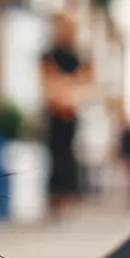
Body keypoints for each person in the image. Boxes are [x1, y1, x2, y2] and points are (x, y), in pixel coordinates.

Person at [40, 12, 92, 220]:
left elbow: (86, 82)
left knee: (70, 157)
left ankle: (69, 199)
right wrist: (62, 94)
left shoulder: (78, 56)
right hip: (55, 112)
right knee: (55, 156)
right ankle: (55, 200)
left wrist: (69, 95)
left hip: (70, 113)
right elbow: (47, 80)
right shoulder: (49, 55)